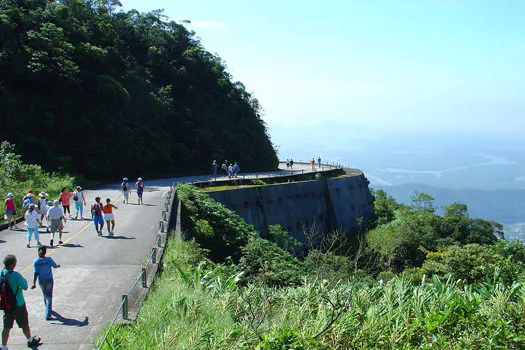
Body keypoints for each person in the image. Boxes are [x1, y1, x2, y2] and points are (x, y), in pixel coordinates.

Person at [1, 254, 42, 349]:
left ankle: (4, 346)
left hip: (6, 305)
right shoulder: (16, 275)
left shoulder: (1, 274)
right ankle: (30, 340)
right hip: (18, 304)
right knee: (24, 324)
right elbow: (25, 286)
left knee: (6, 327)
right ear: (12, 265)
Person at [31, 247, 60, 321]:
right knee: (49, 297)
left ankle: (48, 308)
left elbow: (36, 273)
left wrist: (34, 283)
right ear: (45, 253)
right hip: (49, 280)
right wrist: (58, 266)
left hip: (41, 280)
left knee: (45, 295)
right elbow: (54, 266)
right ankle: (48, 314)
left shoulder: (36, 261)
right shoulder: (49, 259)